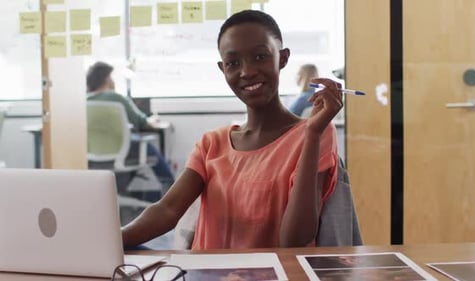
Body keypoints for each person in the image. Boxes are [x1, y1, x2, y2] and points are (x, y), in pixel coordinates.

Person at [122, 9, 343, 249]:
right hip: (206, 274)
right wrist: (106, 241)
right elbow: (167, 210)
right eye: (233, 63)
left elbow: (294, 240)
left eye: (260, 57)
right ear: (222, 68)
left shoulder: (315, 133)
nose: (247, 72)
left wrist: (311, 135)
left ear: (283, 58)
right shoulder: (211, 144)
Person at [86, 62, 175, 198]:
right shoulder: (116, 98)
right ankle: (171, 187)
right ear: (107, 79)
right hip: (120, 154)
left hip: (91, 158)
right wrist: (152, 120)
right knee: (147, 147)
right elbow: (142, 122)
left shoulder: (83, 102)